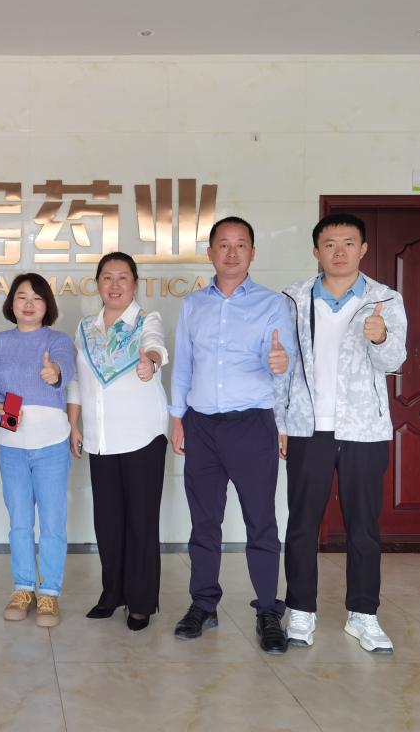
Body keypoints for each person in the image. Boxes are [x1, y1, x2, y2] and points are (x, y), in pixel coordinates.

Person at [277, 213, 408, 653]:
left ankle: (363, 614)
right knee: (301, 524)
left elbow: (395, 361)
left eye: (348, 243)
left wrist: (381, 337)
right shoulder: (293, 299)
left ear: (363, 249)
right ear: (316, 251)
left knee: (364, 527)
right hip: (307, 428)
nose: (339, 251)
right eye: (330, 244)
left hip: (363, 429)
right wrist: (281, 422)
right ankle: (300, 609)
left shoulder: (384, 300)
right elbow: (282, 367)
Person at [169, 216, 296, 654]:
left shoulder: (271, 304)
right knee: (204, 522)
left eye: (241, 244)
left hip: (252, 424)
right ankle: (203, 604)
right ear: (210, 252)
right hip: (201, 424)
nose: (231, 252)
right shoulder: (193, 305)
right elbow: (183, 364)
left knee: (261, 521)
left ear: (253, 253)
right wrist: (176, 417)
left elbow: (285, 361)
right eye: (223, 244)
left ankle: (268, 611)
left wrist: (280, 362)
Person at [67, 252, 169, 632]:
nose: (114, 285)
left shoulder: (146, 320)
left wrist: (150, 362)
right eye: (107, 277)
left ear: (134, 283)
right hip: (101, 439)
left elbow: (157, 347)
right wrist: (74, 425)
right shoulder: (85, 328)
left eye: (122, 277)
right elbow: (76, 380)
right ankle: (112, 593)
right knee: (108, 523)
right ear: (98, 283)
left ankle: (140, 602)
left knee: (141, 522)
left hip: (143, 437)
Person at [0, 273, 75, 627]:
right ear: (12, 303)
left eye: (37, 297)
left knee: (52, 522)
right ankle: (23, 588)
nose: (29, 303)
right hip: (13, 447)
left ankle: (49, 592)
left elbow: (64, 367)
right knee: (19, 523)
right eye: (22, 296)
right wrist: (0, 409)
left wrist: (55, 373)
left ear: (47, 304)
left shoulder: (58, 340)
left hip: (52, 445)